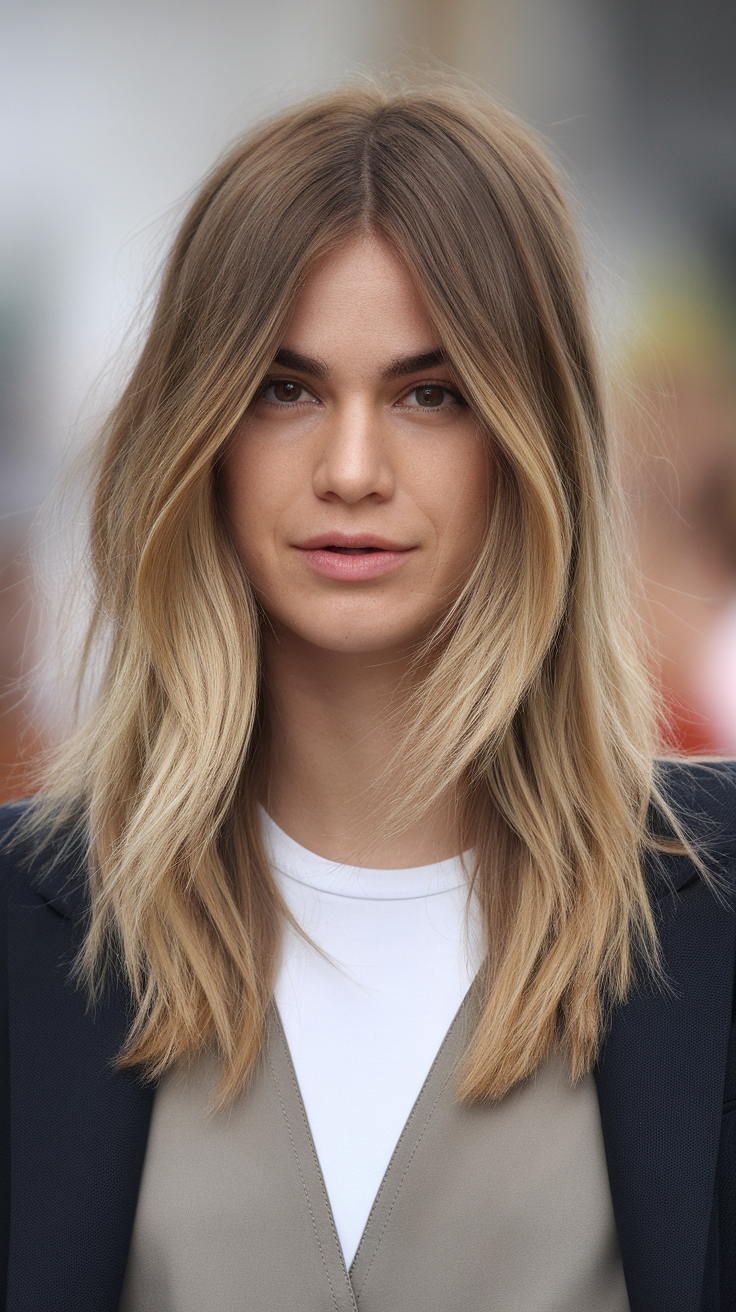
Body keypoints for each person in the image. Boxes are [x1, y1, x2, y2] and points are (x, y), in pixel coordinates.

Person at [0, 82, 734, 1312]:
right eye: (284, 390)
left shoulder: (709, 908)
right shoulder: (31, 927)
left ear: (528, 434)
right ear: (202, 433)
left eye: (427, 393)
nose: (351, 470)